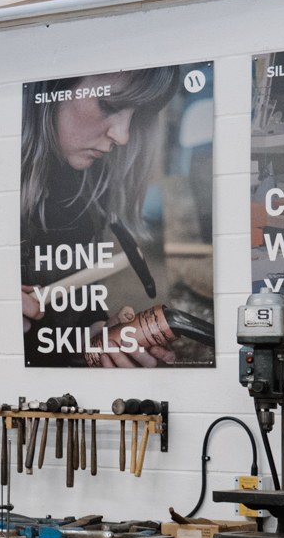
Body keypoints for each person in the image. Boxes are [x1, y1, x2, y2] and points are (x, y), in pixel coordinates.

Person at [20, 68, 180, 368]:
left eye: (136, 116)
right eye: (109, 105)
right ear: (49, 90)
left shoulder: (89, 182)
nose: (122, 136)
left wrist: (93, 334)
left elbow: (70, 308)